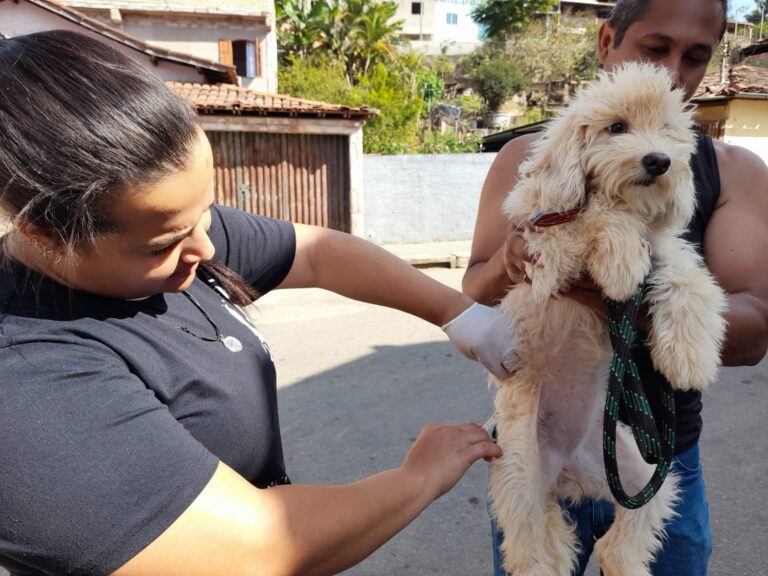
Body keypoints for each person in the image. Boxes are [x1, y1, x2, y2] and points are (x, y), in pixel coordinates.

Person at [0, 30, 520, 576]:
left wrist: (457, 313)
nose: (204, 247)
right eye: (164, 244)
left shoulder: (168, 232)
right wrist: (416, 479)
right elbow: (255, 551)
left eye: (205, 211)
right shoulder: (25, 376)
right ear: (44, 233)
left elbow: (319, 252)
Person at [462, 0, 768, 574]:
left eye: (696, 57)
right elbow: (474, 290)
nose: (673, 72)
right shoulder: (527, 158)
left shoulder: (733, 171)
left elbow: (752, 335)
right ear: (606, 42)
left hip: (660, 450)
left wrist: (641, 299)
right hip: (535, 432)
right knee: (532, 555)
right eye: (656, 48)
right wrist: (513, 262)